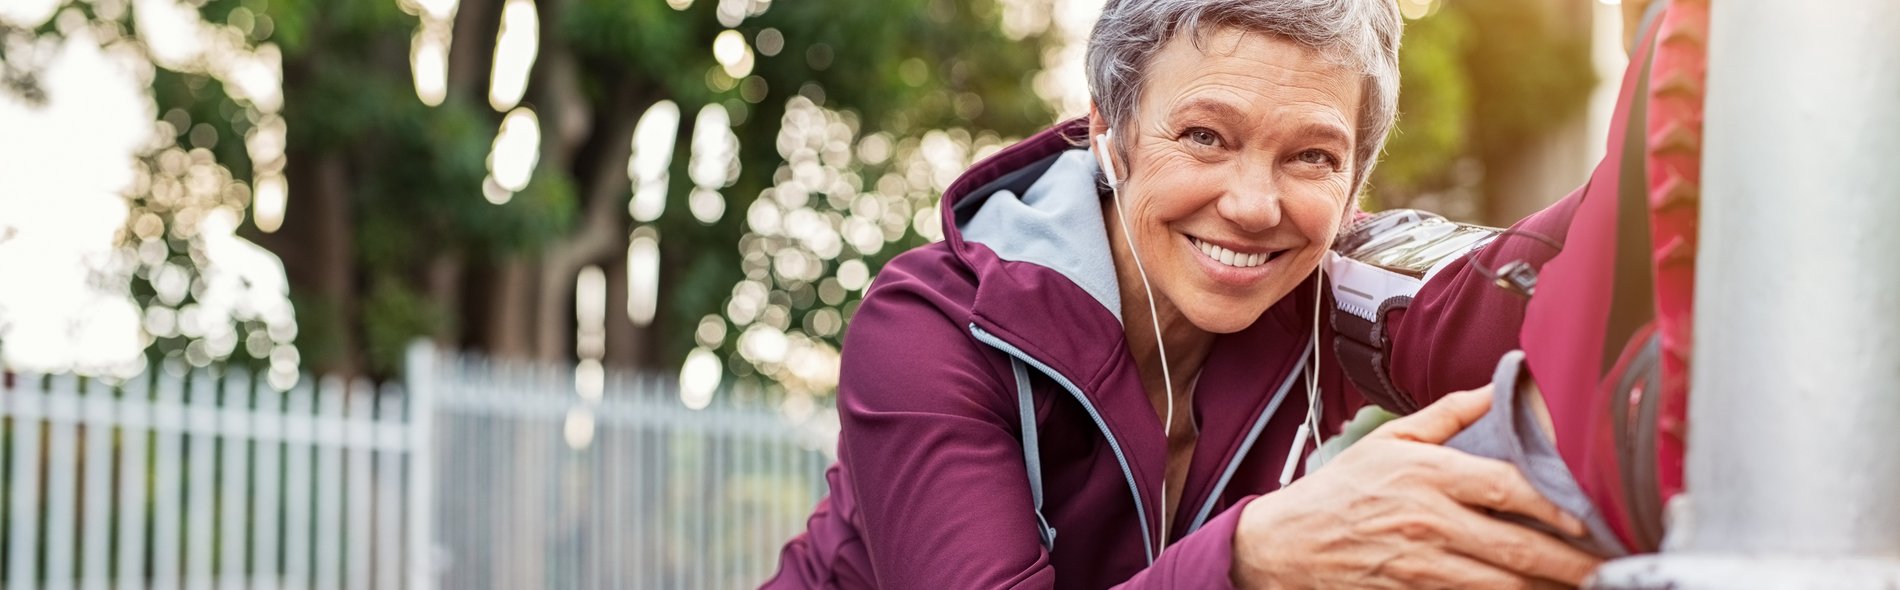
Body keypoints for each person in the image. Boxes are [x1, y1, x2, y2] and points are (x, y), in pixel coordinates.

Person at [765, 0, 1606, 587]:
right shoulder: (933, 325)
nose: (1252, 206)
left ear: (1357, 179)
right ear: (1110, 134)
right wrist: (1254, 559)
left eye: (1312, 156)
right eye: (1204, 136)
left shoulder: (1331, 287)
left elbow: (1554, 280)